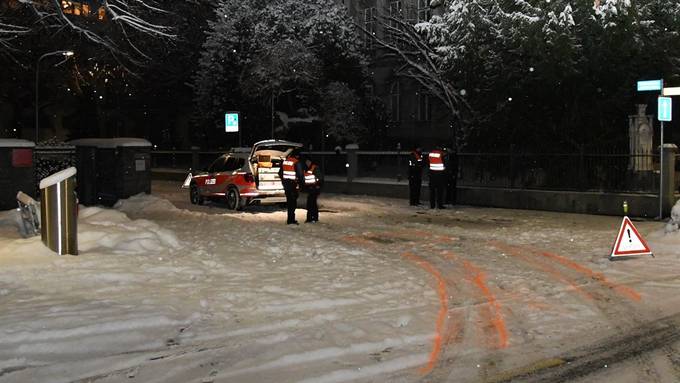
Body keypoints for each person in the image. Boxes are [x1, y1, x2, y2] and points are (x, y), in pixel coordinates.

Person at [279, 150, 304, 224]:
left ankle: (290, 219)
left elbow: (280, 173)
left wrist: (284, 181)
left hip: (286, 184)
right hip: (293, 185)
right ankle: (291, 220)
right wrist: (301, 184)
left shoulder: (285, 161)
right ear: (297, 156)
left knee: (289, 202)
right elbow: (300, 175)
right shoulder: (296, 162)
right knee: (293, 203)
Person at [303, 156, 323, 223]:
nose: (307, 163)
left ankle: (312, 218)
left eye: (308, 162)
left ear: (310, 162)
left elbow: (320, 179)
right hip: (310, 189)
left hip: (314, 189)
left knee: (311, 204)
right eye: (306, 162)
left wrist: (316, 185)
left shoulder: (314, 168)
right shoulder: (307, 169)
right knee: (311, 204)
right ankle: (312, 218)